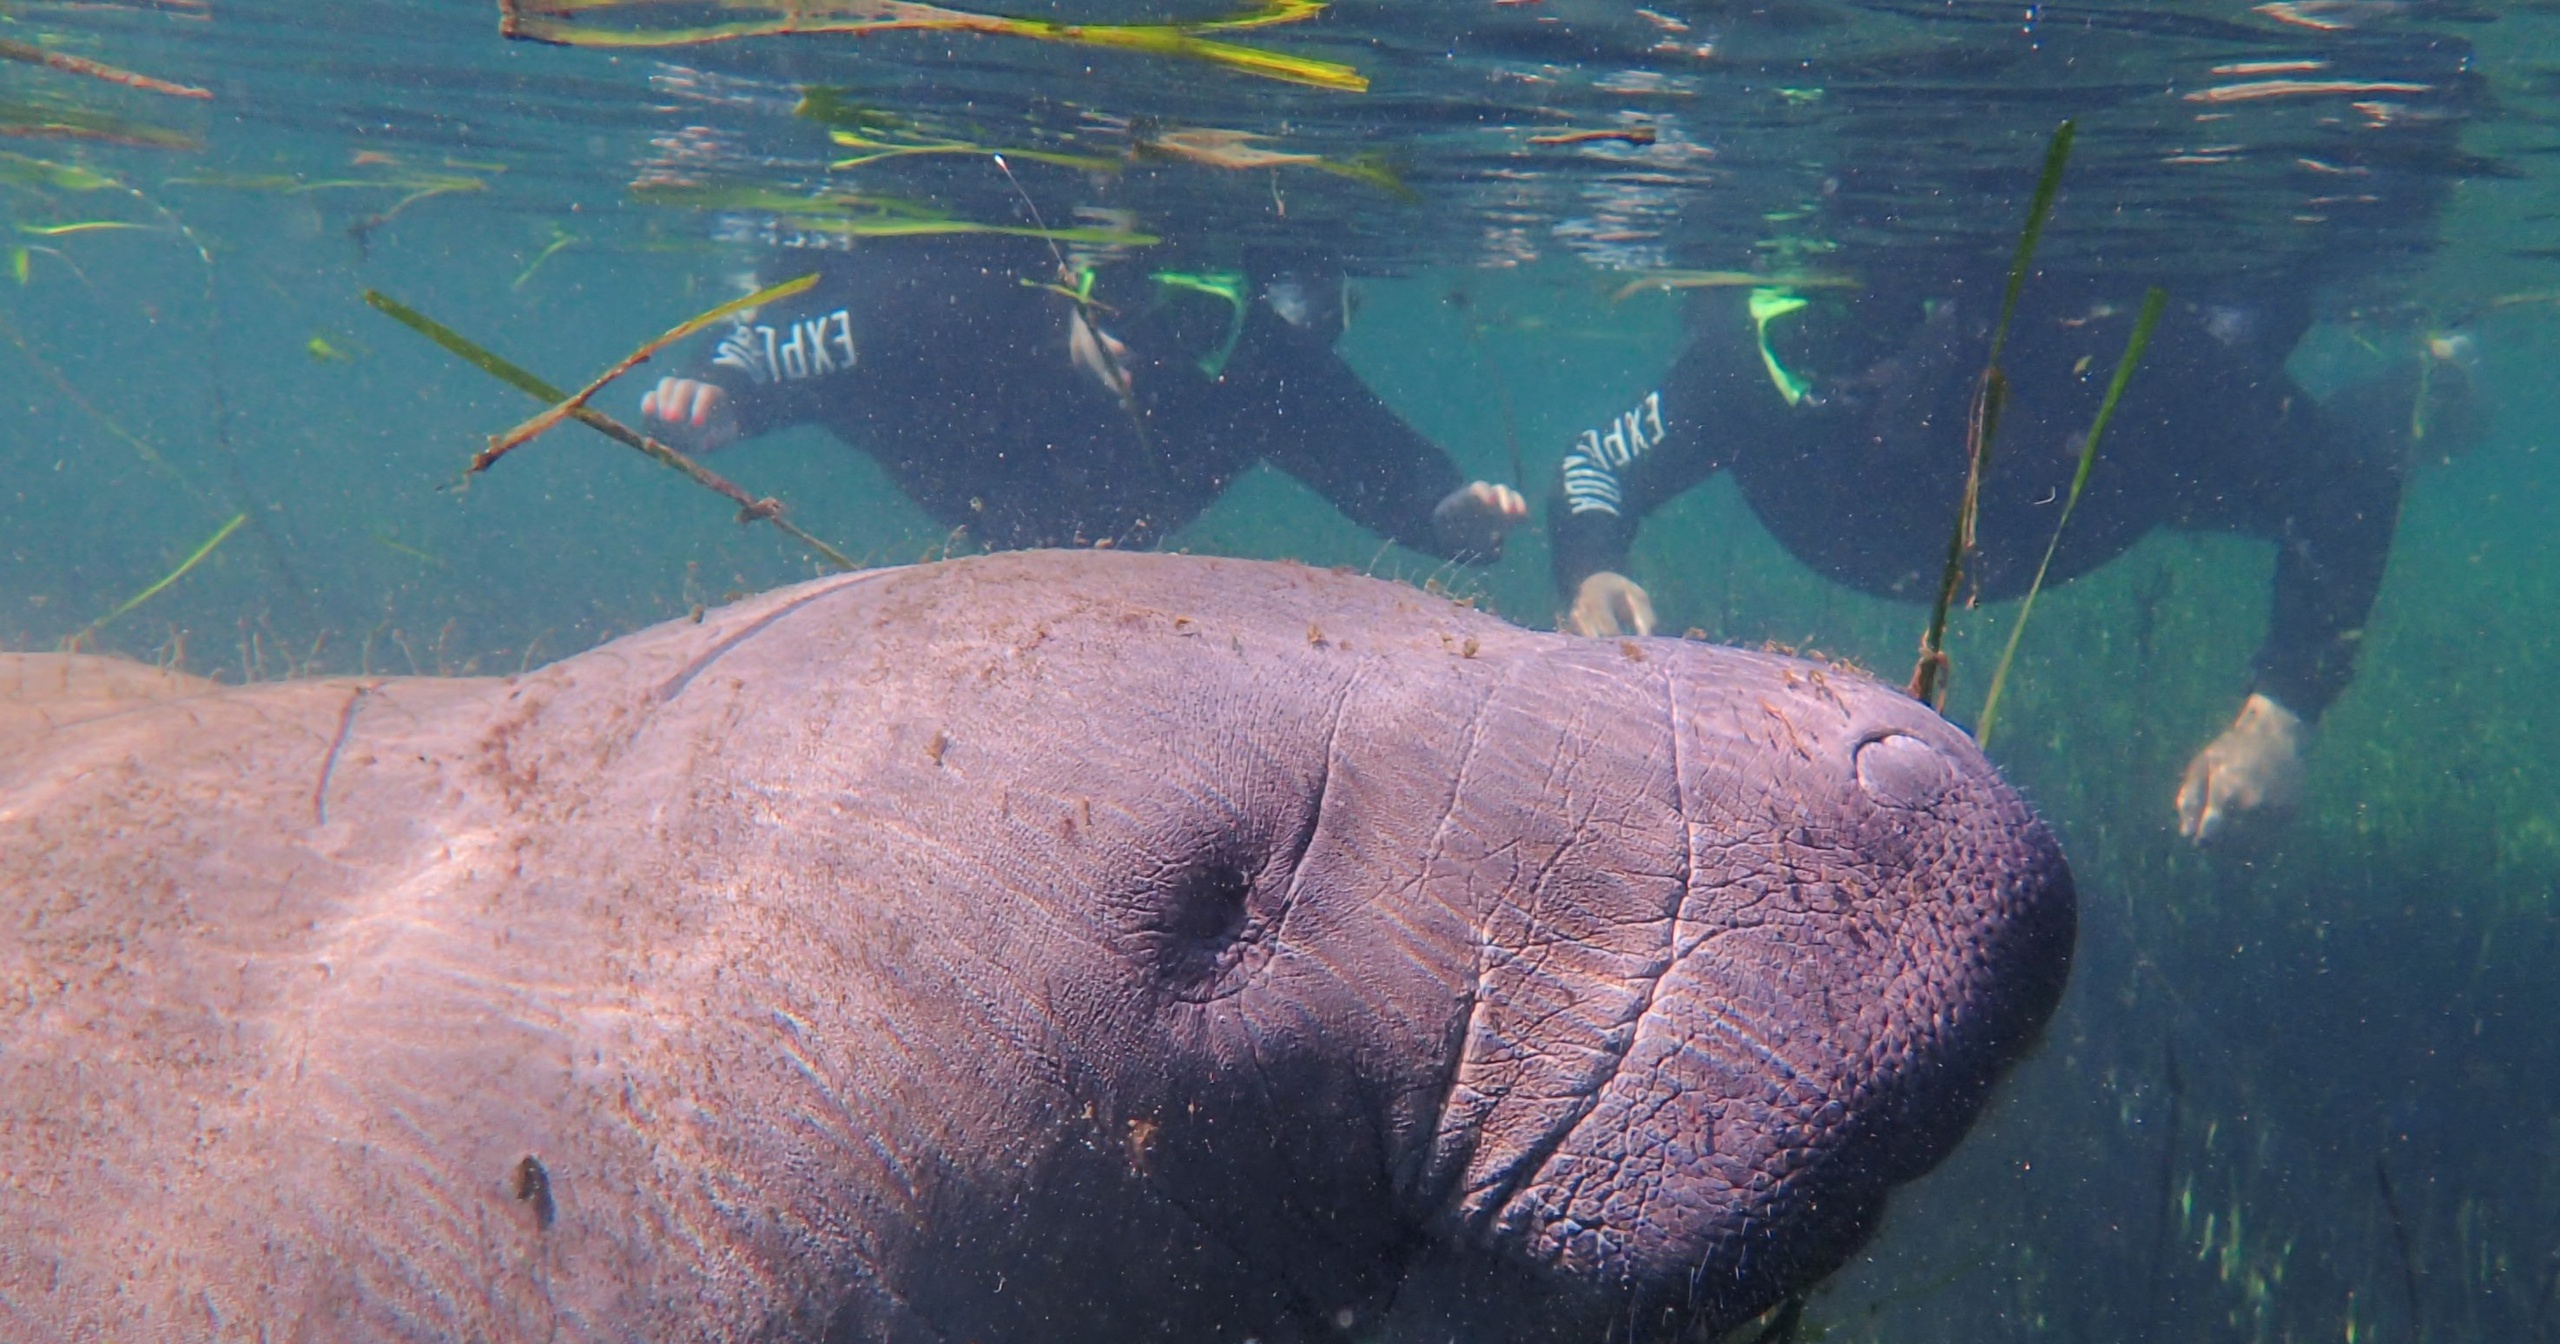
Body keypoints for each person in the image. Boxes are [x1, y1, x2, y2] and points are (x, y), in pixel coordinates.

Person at [1546, 273, 2469, 839]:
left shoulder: (2136, 363)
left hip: (2115, 487)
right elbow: (1595, 465)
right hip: (2084, 504)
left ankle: (2440, 389)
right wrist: (1592, 563)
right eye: (1849, 348)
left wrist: (2283, 714)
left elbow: (2343, 489)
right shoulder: (1765, 370)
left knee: (2285, 422)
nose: (1864, 382)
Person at [641, 241, 1526, 566]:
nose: (1147, 347)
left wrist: (1443, 516)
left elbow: (1369, 454)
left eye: (1191, 320)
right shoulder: (949, 307)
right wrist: (727, 396)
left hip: (1104, 516)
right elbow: (787, 331)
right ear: (1069, 279)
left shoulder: (1254, 368)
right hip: (945, 454)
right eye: (1122, 299)